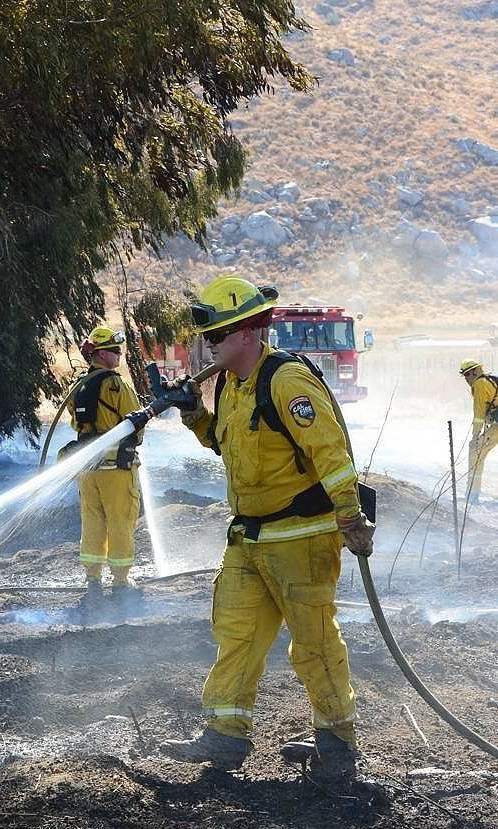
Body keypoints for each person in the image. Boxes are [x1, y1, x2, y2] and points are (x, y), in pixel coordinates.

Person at [158, 276, 374, 775]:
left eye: (216, 336)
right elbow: (226, 443)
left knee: (314, 641)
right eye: (207, 338)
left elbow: (331, 453)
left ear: (249, 332)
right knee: (236, 633)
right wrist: (195, 414)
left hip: (300, 537)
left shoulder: (287, 381)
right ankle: (225, 735)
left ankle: (337, 745)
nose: (208, 346)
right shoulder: (233, 385)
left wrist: (348, 515)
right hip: (248, 537)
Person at [65, 326, 144, 613]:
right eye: (114, 350)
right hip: (116, 469)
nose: (119, 355)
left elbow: (76, 423)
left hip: (88, 469)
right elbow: (136, 421)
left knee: (93, 521)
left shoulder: (78, 386)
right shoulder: (117, 385)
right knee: (120, 521)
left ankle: (93, 580)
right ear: (99, 354)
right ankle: (121, 583)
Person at [459, 359, 498, 505]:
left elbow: (479, 413)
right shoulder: (490, 379)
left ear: (475, 371)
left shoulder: (480, 384)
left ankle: (472, 494)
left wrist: (475, 436)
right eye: (464, 376)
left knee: (476, 450)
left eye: (468, 374)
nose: (466, 379)